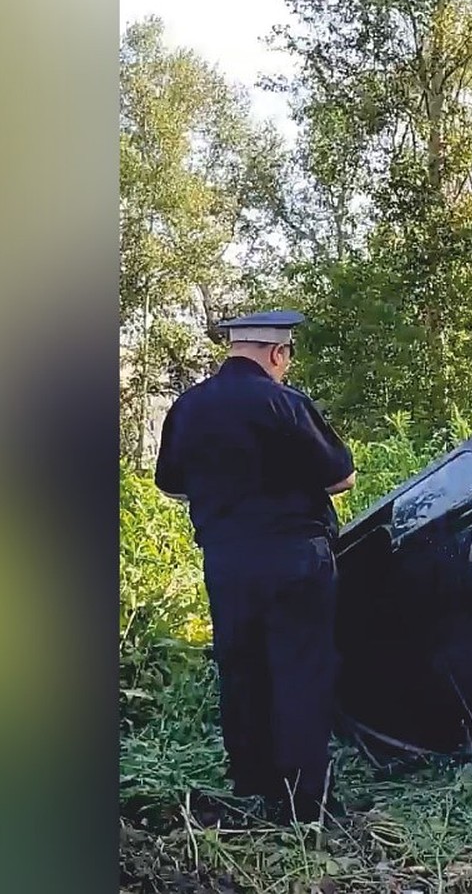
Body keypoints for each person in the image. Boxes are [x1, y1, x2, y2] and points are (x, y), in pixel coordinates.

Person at [154, 310, 356, 824]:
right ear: (276, 353)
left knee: (242, 668)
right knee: (301, 670)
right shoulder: (284, 403)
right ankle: (305, 801)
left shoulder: (188, 407)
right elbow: (341, 478)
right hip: (294, 558)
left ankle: (252, 782)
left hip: (227, 560)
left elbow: (171, 484)